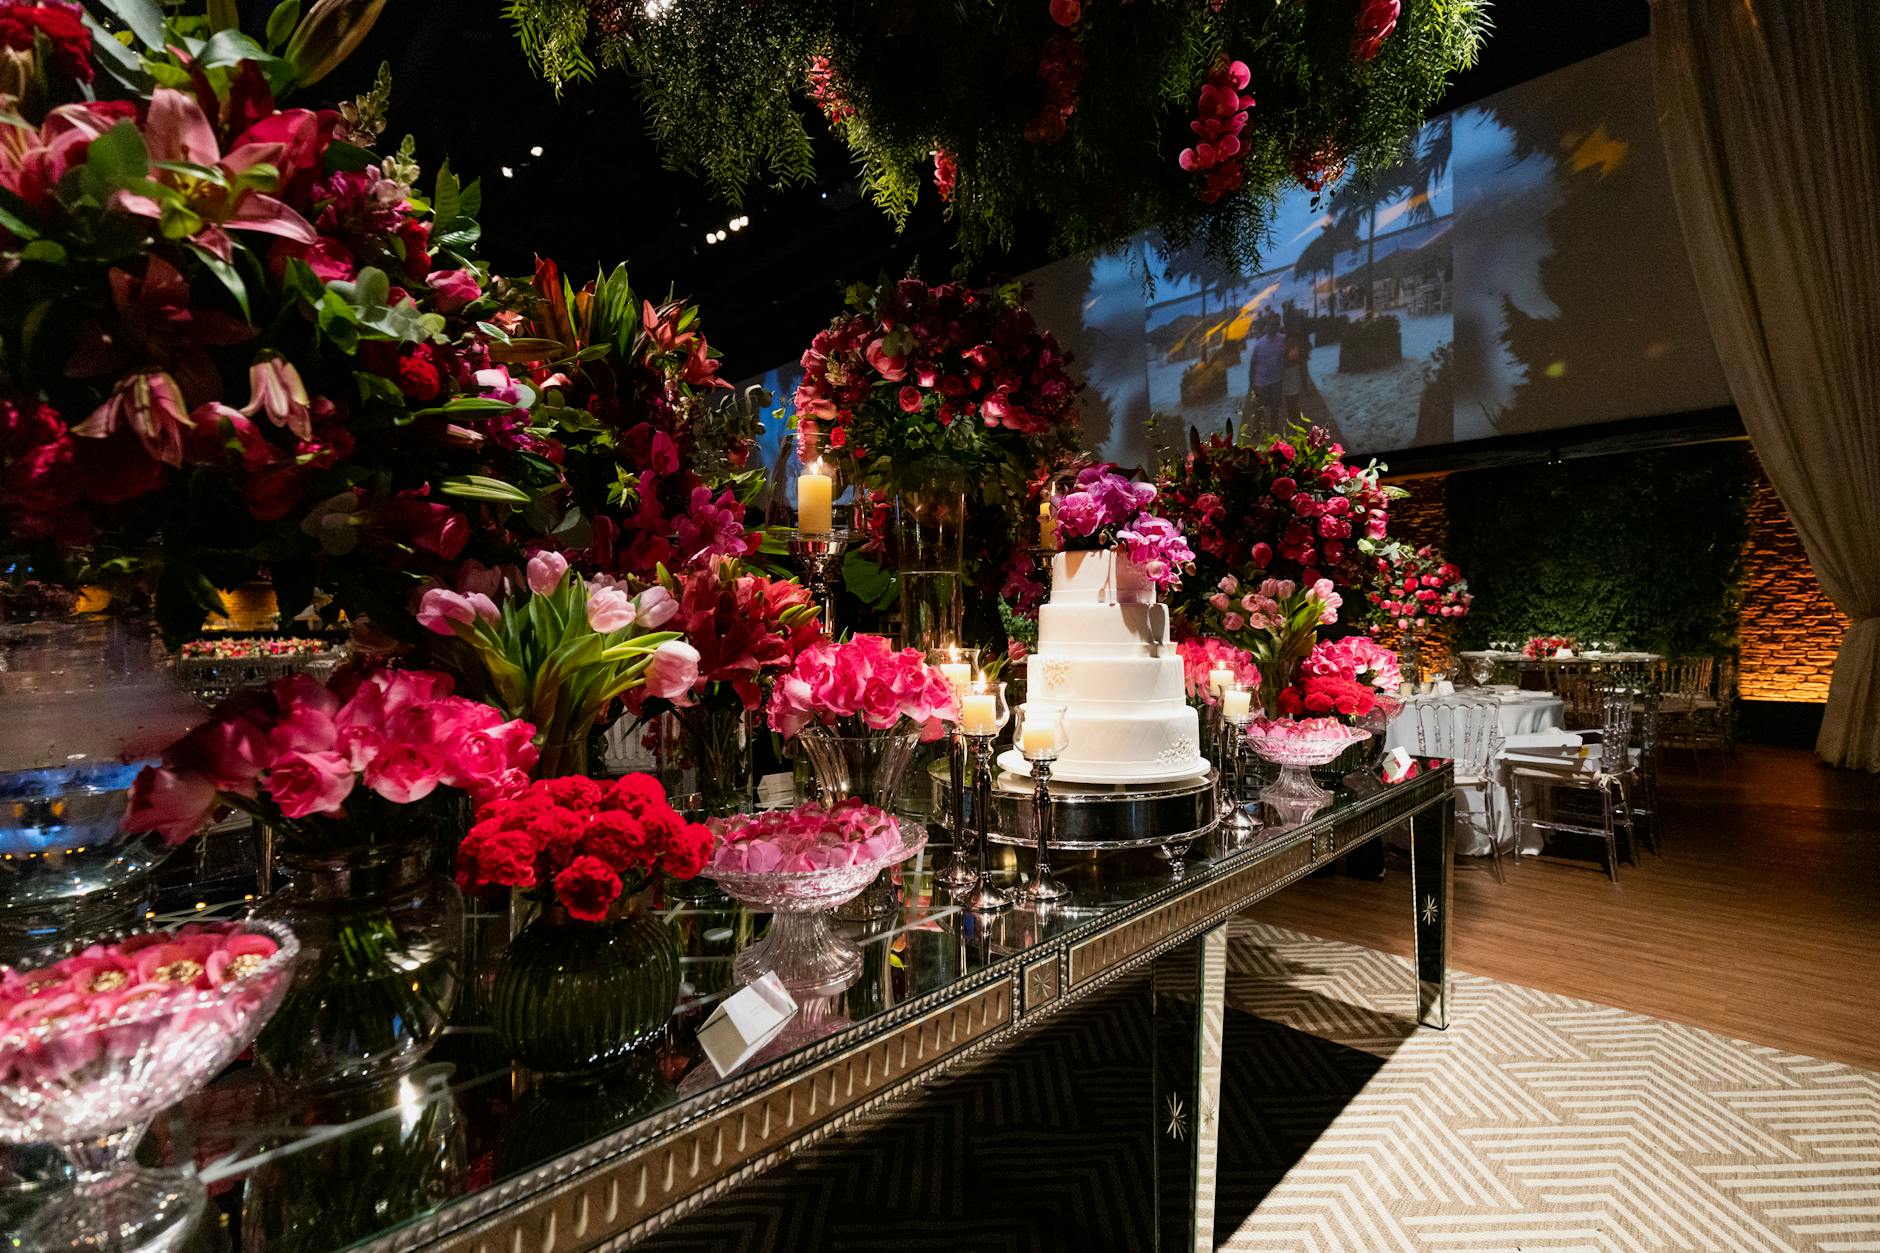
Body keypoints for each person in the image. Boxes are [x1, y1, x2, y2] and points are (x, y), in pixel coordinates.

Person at [1246, 315, 1287, 435]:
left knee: (1275, 409)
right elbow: (1252, 365)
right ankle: (1256, 431)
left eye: (1276, 324)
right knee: (1259, 410)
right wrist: (1251, 385)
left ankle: (1273, 431)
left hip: (1276, 381)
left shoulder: (1282, 339)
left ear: (1278, 326)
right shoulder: (1259, 344)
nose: (1273, 327)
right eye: (1270, 324)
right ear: (1266, 326)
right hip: (1261, 383)